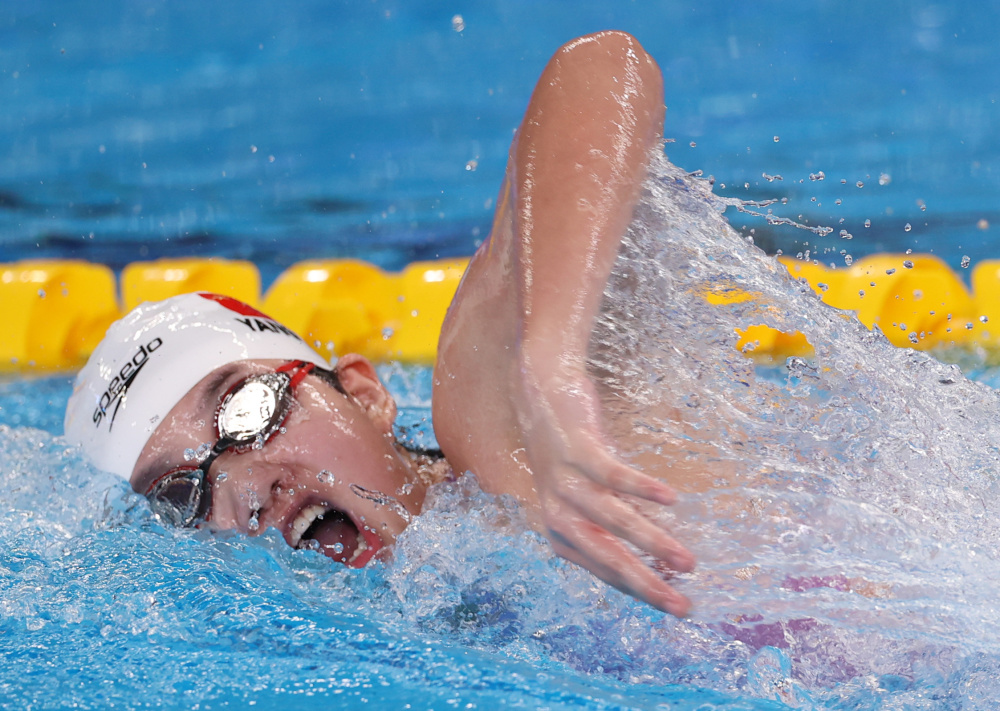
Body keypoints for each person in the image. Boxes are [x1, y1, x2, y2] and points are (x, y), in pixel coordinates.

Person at [64, 31, 695, 617]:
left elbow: (604, 66)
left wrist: (549, 364)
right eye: (183, 498)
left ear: (366, 396)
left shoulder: (498, 440)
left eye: (248, 408)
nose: (247, 491)